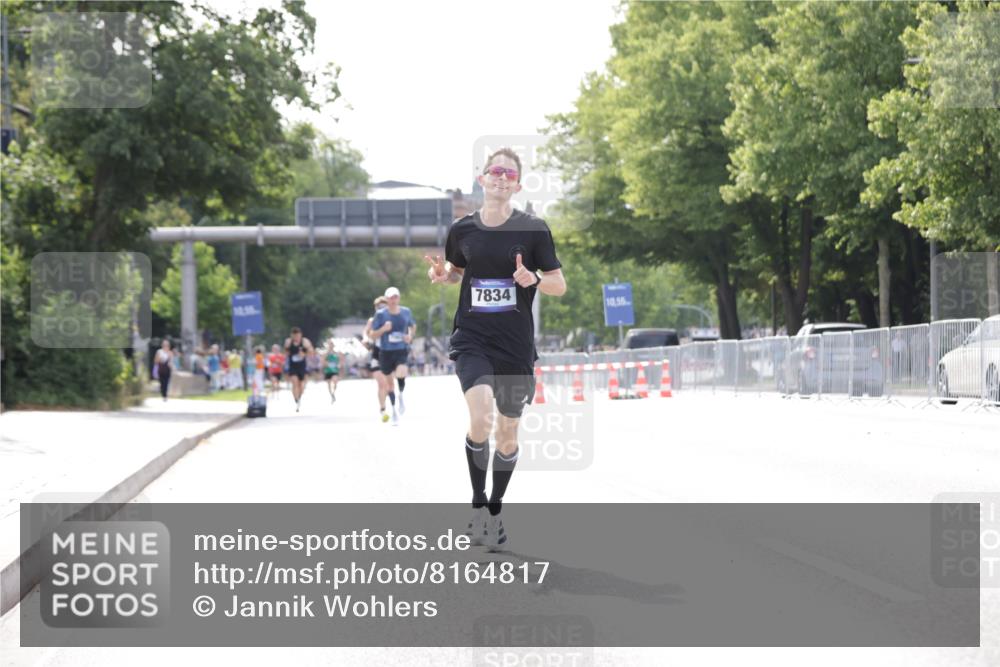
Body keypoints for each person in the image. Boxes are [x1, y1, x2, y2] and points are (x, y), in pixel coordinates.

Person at [426, 147, 566, 551]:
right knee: (481, 416)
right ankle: (476, 508)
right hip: (472, 339)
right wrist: (443, 275)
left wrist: (533, 279)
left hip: (516, 347)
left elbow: (559, 284)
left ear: (517, 184)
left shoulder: (534, 229)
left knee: (507, 434)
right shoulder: (462, 230)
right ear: (482, 179)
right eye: (495, 171)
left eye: (509, 173)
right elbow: (456, 271)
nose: (501, 177)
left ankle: (495, 511)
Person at [371, 286, 416, 425]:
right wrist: (383, 329)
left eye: (395, 297)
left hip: (401, 349)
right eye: (390, 297)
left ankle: (401, 395)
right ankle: (393, 411)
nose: (393, 300)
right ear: (387, 299)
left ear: (399, 298)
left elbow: (413, 326)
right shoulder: (380, 315)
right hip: (385, 352)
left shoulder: (406, 312)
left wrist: (410, 336)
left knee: (402, 372)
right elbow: (372, 335)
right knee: (389, 384)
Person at [363, 296, 390, 422]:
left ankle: (393, 403)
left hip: (390, 352)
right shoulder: (372, 320)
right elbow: (366, 332)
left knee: (389, 383)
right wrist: (365, 339)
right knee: (381, 383)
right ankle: (383, 407)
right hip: (377, 352)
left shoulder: (392, 318)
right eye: (379, 306)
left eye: (384, 305)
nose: (381, 308)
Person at [284, 327, 314, 412]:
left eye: (297, 336)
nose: (296, 338)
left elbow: (311, 352)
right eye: (294, 336)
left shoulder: (305, 341)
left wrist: (304, 353)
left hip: (302, 366)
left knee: (301, 385)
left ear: (300, 335)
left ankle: (299, 398)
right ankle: (296, 399)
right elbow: (286, 353)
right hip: (293, 366)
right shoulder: (288, 342)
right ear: (292, 335)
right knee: (294, 382)